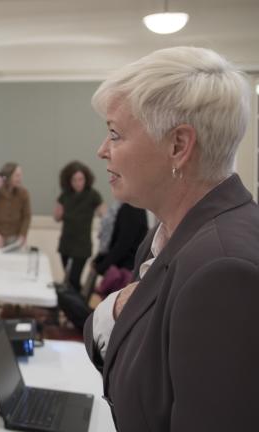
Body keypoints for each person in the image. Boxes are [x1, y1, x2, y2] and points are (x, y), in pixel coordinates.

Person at [84, 46, 259, 431]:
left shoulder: (223, 270)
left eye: (115, 133)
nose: (102, 150)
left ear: (179, 146)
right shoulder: (168, 235)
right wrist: (112, 311)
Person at [54, 161, 105, 292]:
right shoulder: (65, 195)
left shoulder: (93, 194)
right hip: (66, 242)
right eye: (74, 180)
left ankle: (79, 309)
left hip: (82, 245)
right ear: (68, 181)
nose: (78, 183)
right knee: (68, 279)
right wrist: (58, 211)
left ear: (86, 179)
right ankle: (75, 306)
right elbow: (57, 218)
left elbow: (104, 213)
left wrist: (104, 216)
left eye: (80, 179)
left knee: (74, 279)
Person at [0, 162, 32, 248]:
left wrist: (23, 235)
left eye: (20, 175)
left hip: (15, 237)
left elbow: (27, 216)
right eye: (17, 175)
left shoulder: (23, 193)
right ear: (8, 176)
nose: (20, 178)